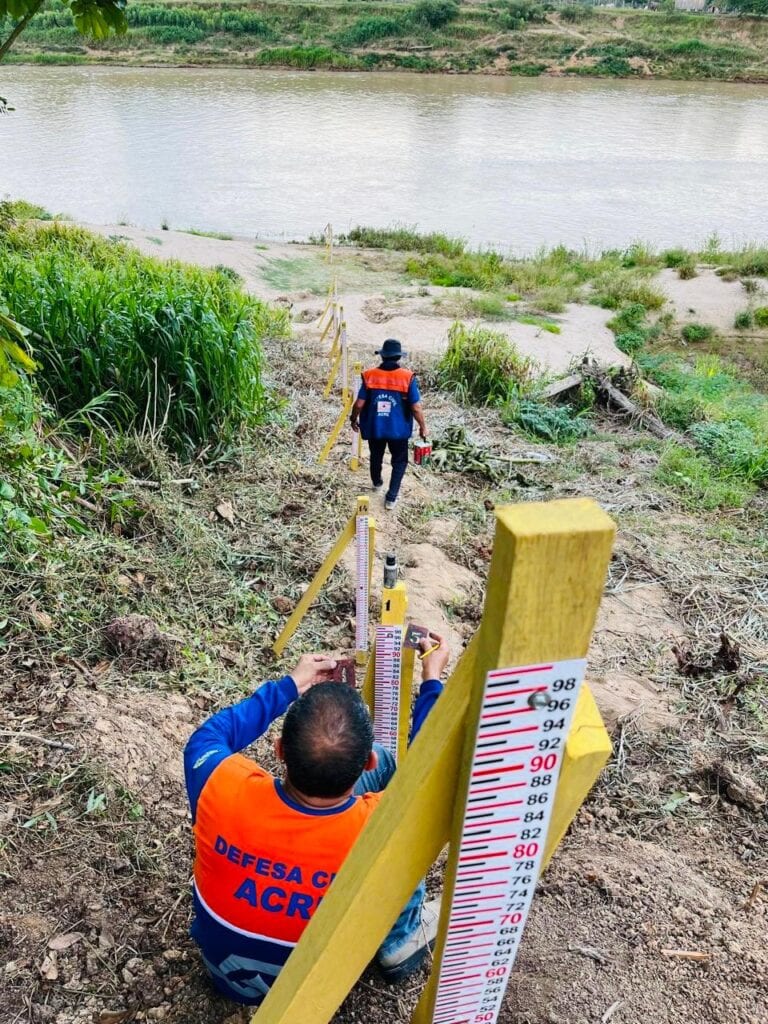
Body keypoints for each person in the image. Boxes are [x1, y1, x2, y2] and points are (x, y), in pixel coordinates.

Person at [184, 635, 449, 1007]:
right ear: (365, 765)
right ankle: (401, 939)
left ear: (278, 751)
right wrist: (432, 680)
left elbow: (209, 735)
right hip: (319, 986)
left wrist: (290, 686)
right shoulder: (380, 826)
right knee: (408, 815)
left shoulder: (220, 787)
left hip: (227, 978)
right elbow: (431, 772)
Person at [350, 338, 427, 511]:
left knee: (376, 455)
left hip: (375, 428)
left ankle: (377, 482)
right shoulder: (407, 377)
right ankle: (391, 498)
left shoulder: (369, 375)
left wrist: (353, 418)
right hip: (398, 431)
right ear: (398, 357)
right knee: (399, 462)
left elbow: (359, 403)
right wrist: (423, 426)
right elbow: (416, 407)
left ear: (382, 356)